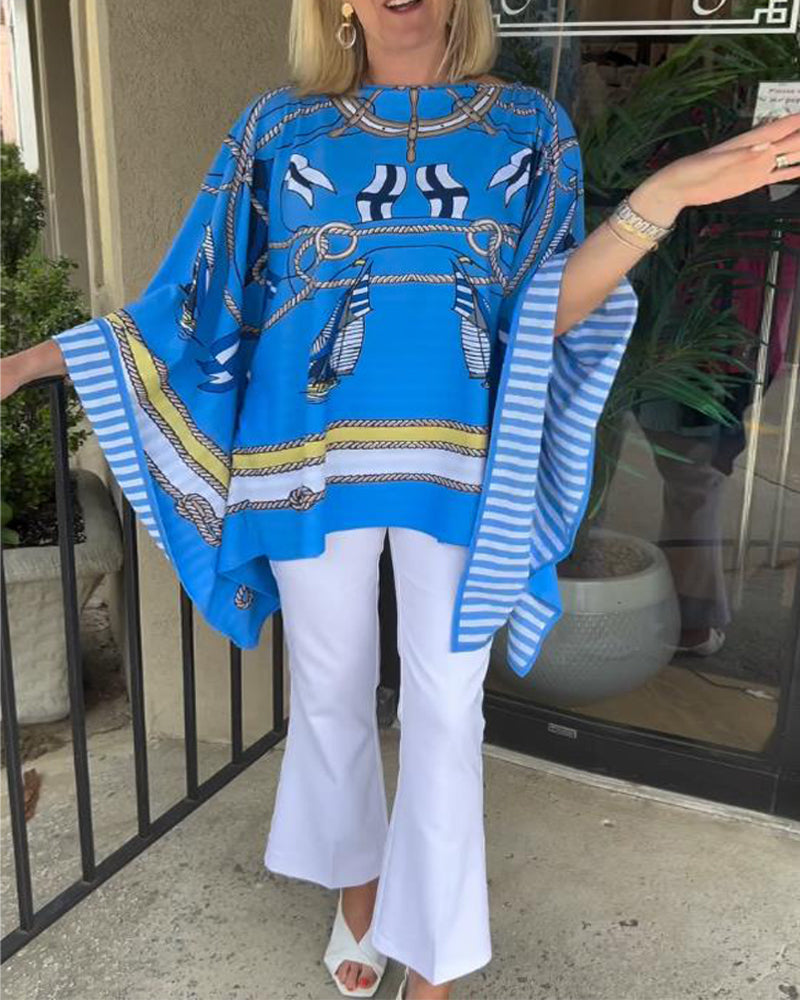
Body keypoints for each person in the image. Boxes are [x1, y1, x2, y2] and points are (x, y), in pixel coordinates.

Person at [2, 2, 798, 997]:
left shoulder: (528, 128)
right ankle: (362, 884)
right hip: (304, 455)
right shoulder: (275, 129)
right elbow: (196, 297)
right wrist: (34, 359)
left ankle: (434, 953)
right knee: (329, 689)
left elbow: (545, 309)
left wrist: (661, 198)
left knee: (447, 709)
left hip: (459, 459)